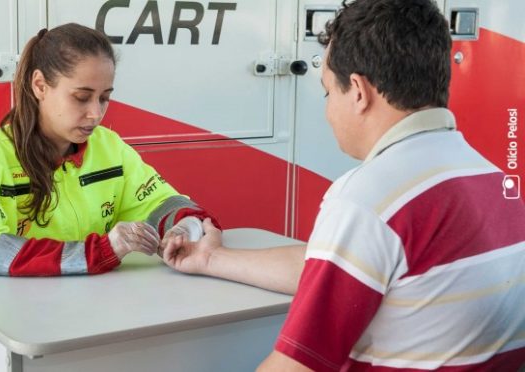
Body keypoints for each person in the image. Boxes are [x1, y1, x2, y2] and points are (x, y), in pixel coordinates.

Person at [163, 0, 525, 370]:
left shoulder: (370, 199)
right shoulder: (495, 182)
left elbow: (297, 364)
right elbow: (337, 269)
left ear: (357, 91)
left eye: (327, 92)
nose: (327, 110)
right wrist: (210, 258)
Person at [0, 23, 218, 372]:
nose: (95, 114)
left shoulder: (109, 148)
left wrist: (185, 228)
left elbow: (161, 201)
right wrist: (100, 252)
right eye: (81, 97)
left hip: (89, 323)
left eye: (105, 97)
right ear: (39, 85)